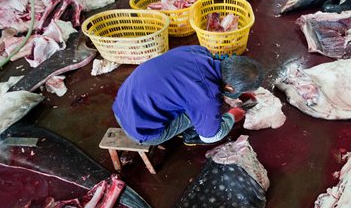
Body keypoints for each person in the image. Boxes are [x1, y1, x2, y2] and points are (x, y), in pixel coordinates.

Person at [112, 45, 264, 146]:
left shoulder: (198, 51)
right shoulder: (206, 97)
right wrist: (232, 116)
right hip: (140, 130)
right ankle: (190, 135)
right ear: (230, 87)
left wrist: (236, 89)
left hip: (122, 103)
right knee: (202, 116)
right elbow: (211, 136)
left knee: (185, 97)